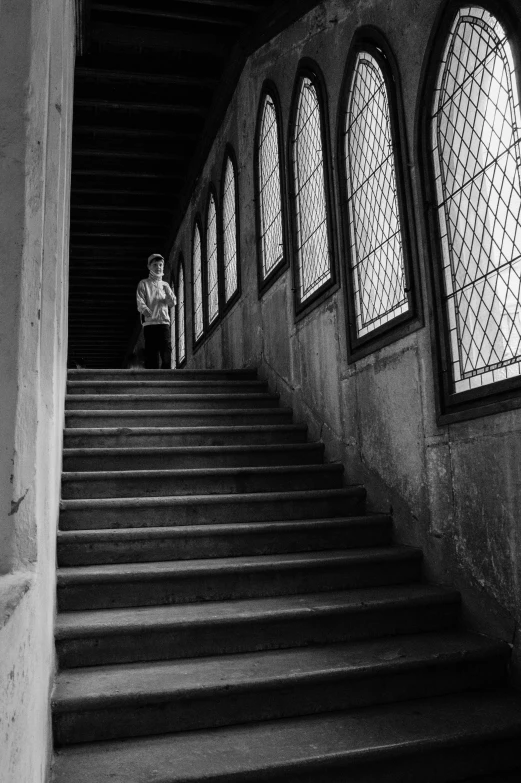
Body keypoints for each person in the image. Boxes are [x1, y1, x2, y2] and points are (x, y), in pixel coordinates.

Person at [136, 253, 177, 369]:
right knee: (151, 352)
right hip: (150, 323)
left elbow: (172, 303)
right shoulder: (143, 284)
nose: (158, 267)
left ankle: (166, 376)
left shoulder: (165, 285)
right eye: (155, 265)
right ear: (149, 267)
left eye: (160, 265)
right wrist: (144, 309)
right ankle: (152, 377)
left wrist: (168, 294)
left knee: (166, 350)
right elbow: (140, 300)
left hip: (164, 322)